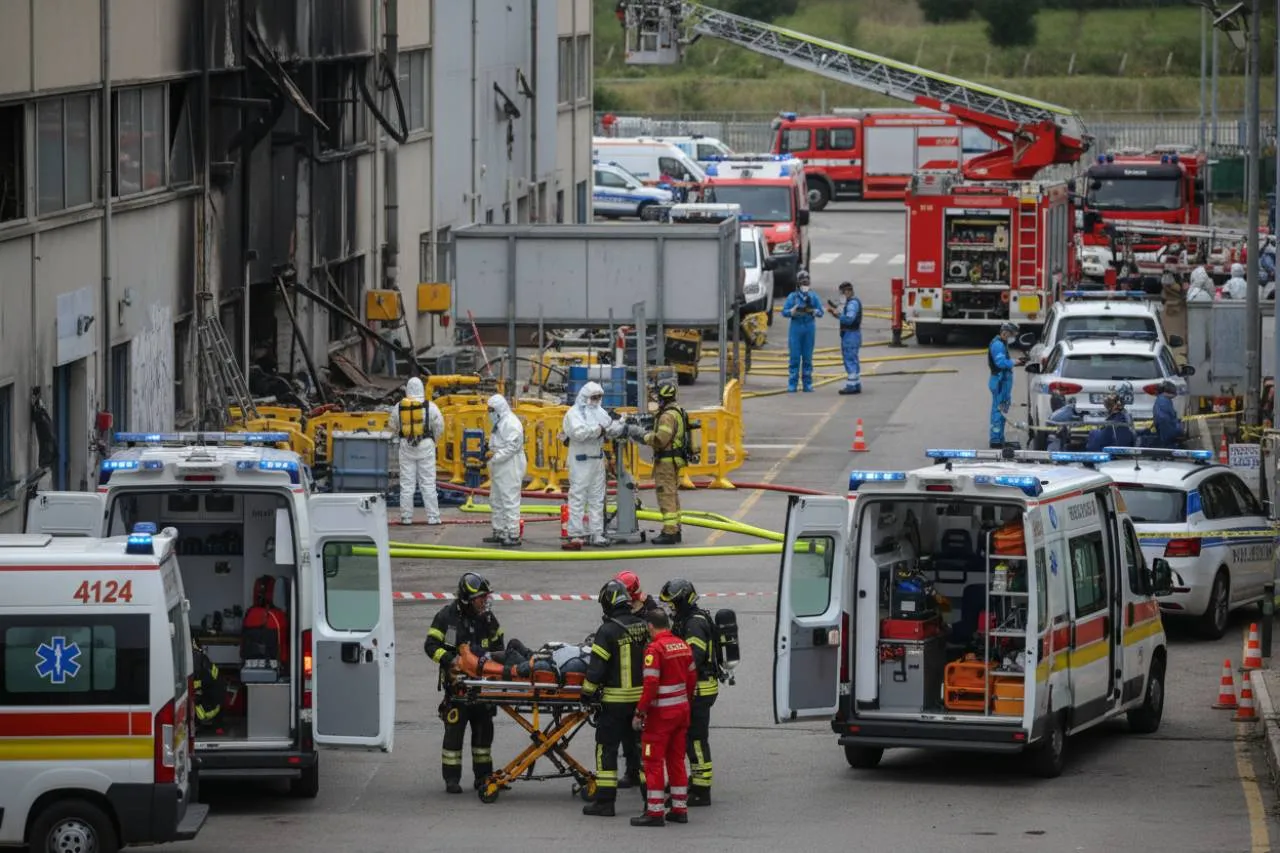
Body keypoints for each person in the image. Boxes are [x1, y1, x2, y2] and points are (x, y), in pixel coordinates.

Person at [423, 572, 504, 794]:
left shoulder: (488, 619)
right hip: (457, 688)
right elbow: (430, 645)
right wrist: (451, 660)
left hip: (483, 688)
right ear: (467, 599)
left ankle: (483, 777)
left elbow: (501, 650)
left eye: (486, 597)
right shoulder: (446, 617)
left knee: (483, 735)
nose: (485, 602)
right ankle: (451, 779)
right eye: (481, 598)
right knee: (454, 735)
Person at [582, 579, 651, 817]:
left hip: (614, 704)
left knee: (606, 749)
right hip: (642, 704)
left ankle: (605, 802)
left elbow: (595, 671)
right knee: (645, 752)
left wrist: (586, 695)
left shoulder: (607, 630)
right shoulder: (644, 626)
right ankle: (650, 802)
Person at [630, 609, 697, 827]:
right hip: (681, 712)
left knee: (653, 762)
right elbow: (691, 678)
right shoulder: (682, 644)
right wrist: (684, 702)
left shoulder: (655, 649)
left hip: (660, 717)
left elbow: (650, 685)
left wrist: (640, 712)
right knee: (677, 760)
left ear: (650, 625)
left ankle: (655, 812)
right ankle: (679, 809)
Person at [659, 578, 718, 807]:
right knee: (688, 737)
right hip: (694, 688)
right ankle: (695, 780)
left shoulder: (694, 624)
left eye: (672, 603)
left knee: (696, 738)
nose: (670, 607)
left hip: (700, 689)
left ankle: (702, 790)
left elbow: (692, 659)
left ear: (683, 600)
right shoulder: (686, 619)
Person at [562, 382, 626, 550]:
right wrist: (599, 429)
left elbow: (610, 429)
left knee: (597, 499)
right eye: (594, 397)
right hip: (580, 461)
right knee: (578, 497)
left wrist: (621, 423)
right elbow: (579, 434)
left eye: (599, 397)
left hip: (597, 460)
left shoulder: (600, 412)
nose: (597, 400)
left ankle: (596, 533)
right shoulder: (573, 414)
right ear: (585, 397)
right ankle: (575, 534)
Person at [615, 569, 661, 788]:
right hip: (627, 679)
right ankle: (632, 772)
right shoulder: (623, 610)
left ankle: (647, 776)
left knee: (643, 733)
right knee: (626, 731)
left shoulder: (652, 612)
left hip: (646, 678)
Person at [633, 378, 689, 544]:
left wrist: (643, 436)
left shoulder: (666, 416)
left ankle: (669, 532)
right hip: (673, 460)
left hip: (666, 462)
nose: (655, 399)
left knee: (666, 495)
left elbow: (660, 440)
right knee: (672, 495)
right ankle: (676, 529)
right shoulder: (676, 411)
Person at [389, 376, 445, 526]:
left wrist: (402, 436)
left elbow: (393, 426)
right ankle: (433, 517)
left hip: (406, 446)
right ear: (422, 388)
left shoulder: (399, 406)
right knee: (428, 483)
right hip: (426, 446)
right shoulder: (430, 406)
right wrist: (433, 440)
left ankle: (406, 517)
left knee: (407, 484)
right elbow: (439, 425)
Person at [483, 394, 526, 547]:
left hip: (510, 465)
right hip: (500, 465)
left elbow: (512, 447)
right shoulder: (500, 421)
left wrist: (494, 456)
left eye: (491, 410)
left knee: (509, 500)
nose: (489, 412)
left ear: (499, 409)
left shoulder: (511, 423)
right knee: (496, 500)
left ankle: (513, 534)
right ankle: (499, 531)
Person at [781, 271, 824, 393]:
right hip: (796, 328)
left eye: (807, 282)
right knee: (794, 357)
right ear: (798, 284)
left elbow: (821, 312)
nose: (805, 285)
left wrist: (815, 311)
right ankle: (792, 383)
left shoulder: (814, 297)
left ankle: (807, 383)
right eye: (803, 282)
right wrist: (791, 312)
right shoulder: (793, 297)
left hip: (809, 328)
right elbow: (784, 312)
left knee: (807, 357)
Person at [987, 322, 1025, 449]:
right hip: (1000, 382)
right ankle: (995, 440)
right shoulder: (998, 345)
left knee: (1002, 410)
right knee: (999, 411)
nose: (1013, 337)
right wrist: (1015, 362)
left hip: (1001, 382)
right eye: (1012, 334)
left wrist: (1015, 361)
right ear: (1006, 333)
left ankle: (999, 437)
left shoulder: (1001, 343)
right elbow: (1001, 363)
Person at [827, 280, 862, 395]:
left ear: (847, 291)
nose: (841, 295)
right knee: (853, 359)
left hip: (850, 335)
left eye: (842, 293)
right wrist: (836, 312)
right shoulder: (851, 302)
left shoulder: (852, 304)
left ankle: (851, 385)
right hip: (853, 334)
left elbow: (849, 319)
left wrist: (837, 314)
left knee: (849, 359)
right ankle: (856, 383)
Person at [1142, 380, 1186, 449]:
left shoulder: (1162, 400)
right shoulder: (1164, 401)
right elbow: (1166, 419)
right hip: (1167, 432)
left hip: (1165, 430)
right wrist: (1178, 427)